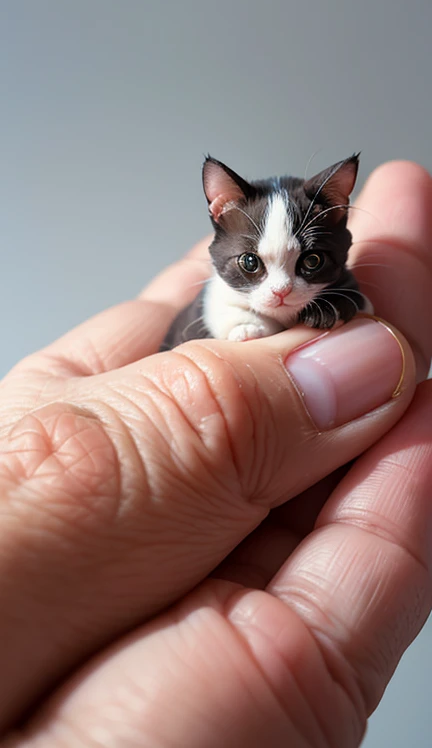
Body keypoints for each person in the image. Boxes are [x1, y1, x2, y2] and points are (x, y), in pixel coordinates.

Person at [0, 161, 431, 748]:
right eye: (252, 265)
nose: (280, 290)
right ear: (221, 232)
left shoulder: (337, 292)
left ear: (339, 240)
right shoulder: (217, 310)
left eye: (308, 264)